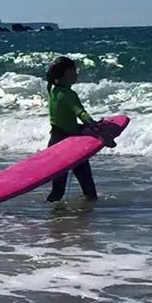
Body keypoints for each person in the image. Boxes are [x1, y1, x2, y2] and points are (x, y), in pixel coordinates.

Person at [44, 55, 114, 203]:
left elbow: (62, 119)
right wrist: (94, 126)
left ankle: (53, 220)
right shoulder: (69, 94)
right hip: (71, 146)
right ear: (65, 74)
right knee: (88, 187)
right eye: (74, 70)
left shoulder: (52, 90)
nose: (77, 73)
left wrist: (86, 127)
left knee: (57, 191)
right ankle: (87, 217)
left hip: (55, 142)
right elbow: (80, 113)